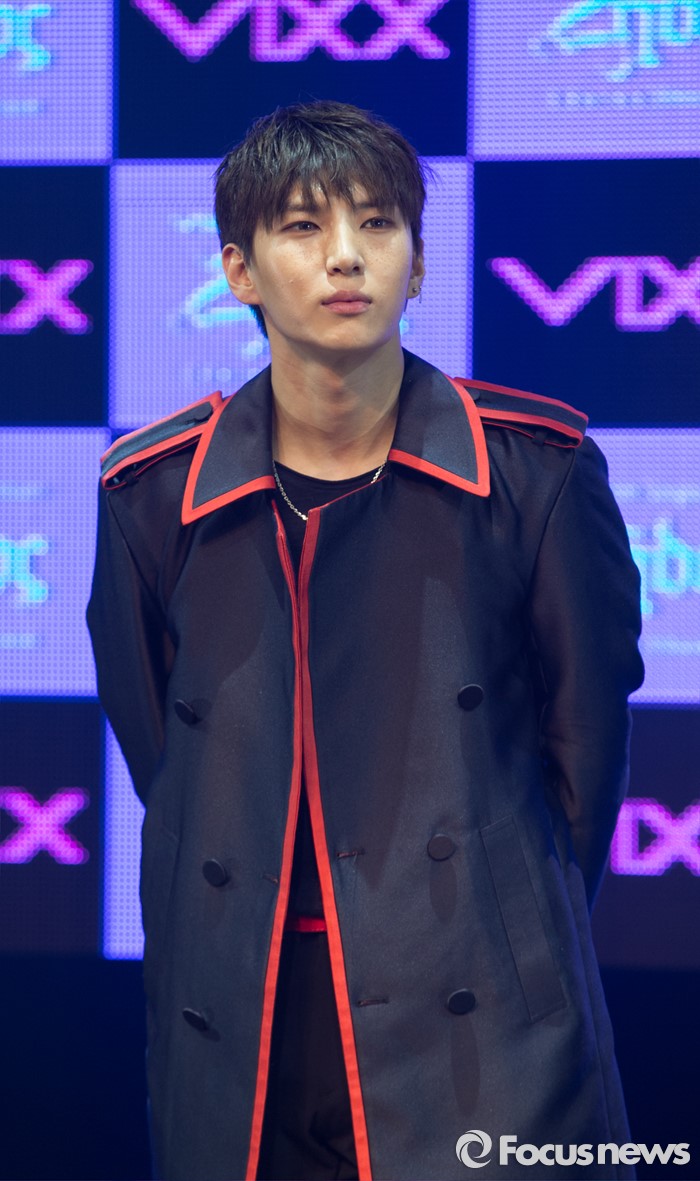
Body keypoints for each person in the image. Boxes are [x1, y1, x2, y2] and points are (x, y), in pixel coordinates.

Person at [87, 101, 644, 1181]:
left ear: (418, 263)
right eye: (304, 227)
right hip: (242, 1021)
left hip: (484, 1026)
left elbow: (586, 755)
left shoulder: (536, 470)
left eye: (378, 223)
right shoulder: (151, 492)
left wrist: (500, 922)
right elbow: (165, 751)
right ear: (239, 271)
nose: (346, 256)